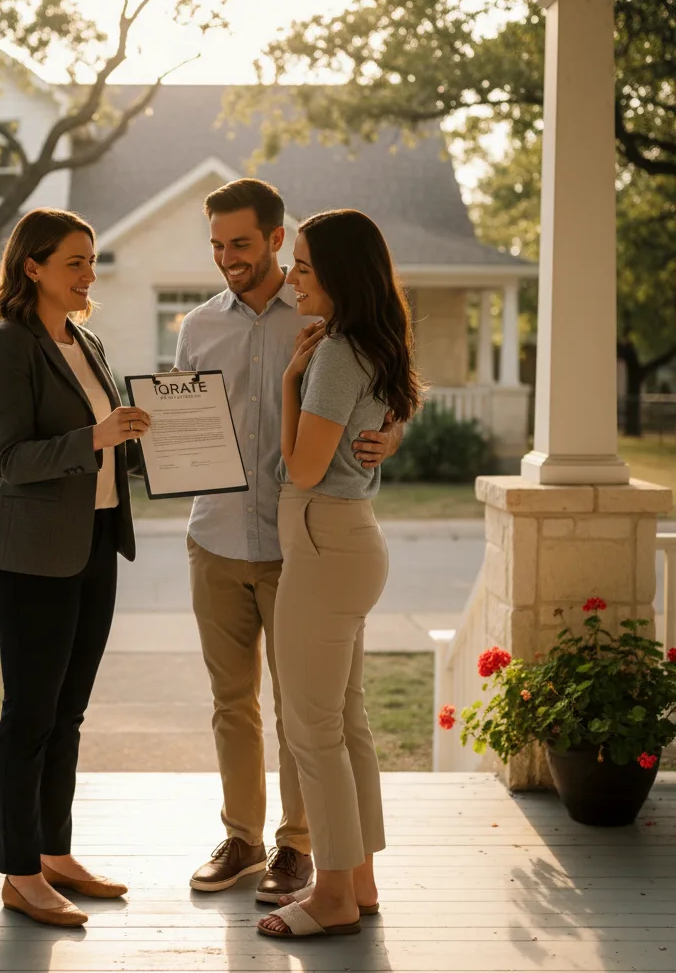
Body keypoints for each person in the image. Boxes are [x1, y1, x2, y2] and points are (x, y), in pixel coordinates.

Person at [175, 180, 402, 903]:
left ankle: (298, 849)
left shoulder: (320, 317)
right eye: (216, 246)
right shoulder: (197, 327)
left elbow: (382, 390)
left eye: (240, 243)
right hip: (214, 535)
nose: (227, 259)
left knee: (302, 710)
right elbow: (188, 419)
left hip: (296, 544)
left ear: (276, 239)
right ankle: (242, 837)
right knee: (230, 700)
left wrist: (393, 433)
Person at [0, 208, 151, 928]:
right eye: (75, 261)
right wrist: (96, 435)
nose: (89, 274)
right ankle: (18, 872)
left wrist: (141, 434)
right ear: (33, 267)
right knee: (30, 716)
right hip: (30, 559)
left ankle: (55, 853)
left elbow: (103, 448)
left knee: (68, 714)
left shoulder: (87, 340)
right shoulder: (4, 347)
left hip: (96, 542)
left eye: (92, 259)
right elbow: (12, 460)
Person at [257, 209, 422, 938]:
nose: (292, 277)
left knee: (311, 727)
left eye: (303, 266)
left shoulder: (336, 354)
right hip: (349, 546)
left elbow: (301, 467)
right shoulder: (374, 347)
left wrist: (290, 382)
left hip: (325, 546)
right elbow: (370, 436)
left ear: (339, 275)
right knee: (345, 721)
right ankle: (358, 878)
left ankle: (331, 897)